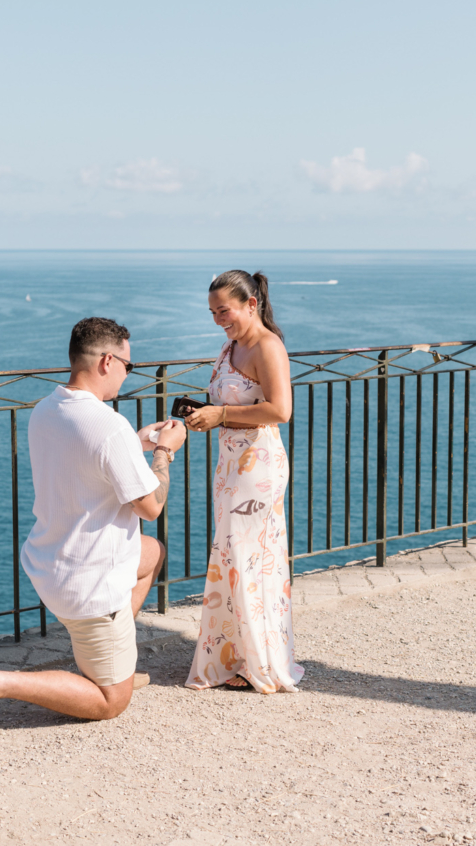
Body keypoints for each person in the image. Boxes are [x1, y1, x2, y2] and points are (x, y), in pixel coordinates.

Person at [0, 317, 186, 738]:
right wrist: (165, 453)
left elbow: (86, 458)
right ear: (106, 361)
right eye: (128, 366)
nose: (127, 375)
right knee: (110, 702)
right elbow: (150, 506)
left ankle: (115, 658)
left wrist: (136, 444)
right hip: (92, 584)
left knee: (152, 553)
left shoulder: (47, 409)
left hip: (50, 564)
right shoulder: (108, 425)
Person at [180, 270, 305, 692]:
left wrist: (223, 415)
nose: (218, 318)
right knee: (235, 557)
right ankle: (236, 656)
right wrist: (206, 413)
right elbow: (228, 400)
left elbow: (280, 410)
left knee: (247, 557)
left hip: (258, 467)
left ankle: (257, 662)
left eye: (225, 310)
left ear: (252, 304)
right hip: (231, 466)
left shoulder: (268, 346)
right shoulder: (230, 346)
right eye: (213, 312)